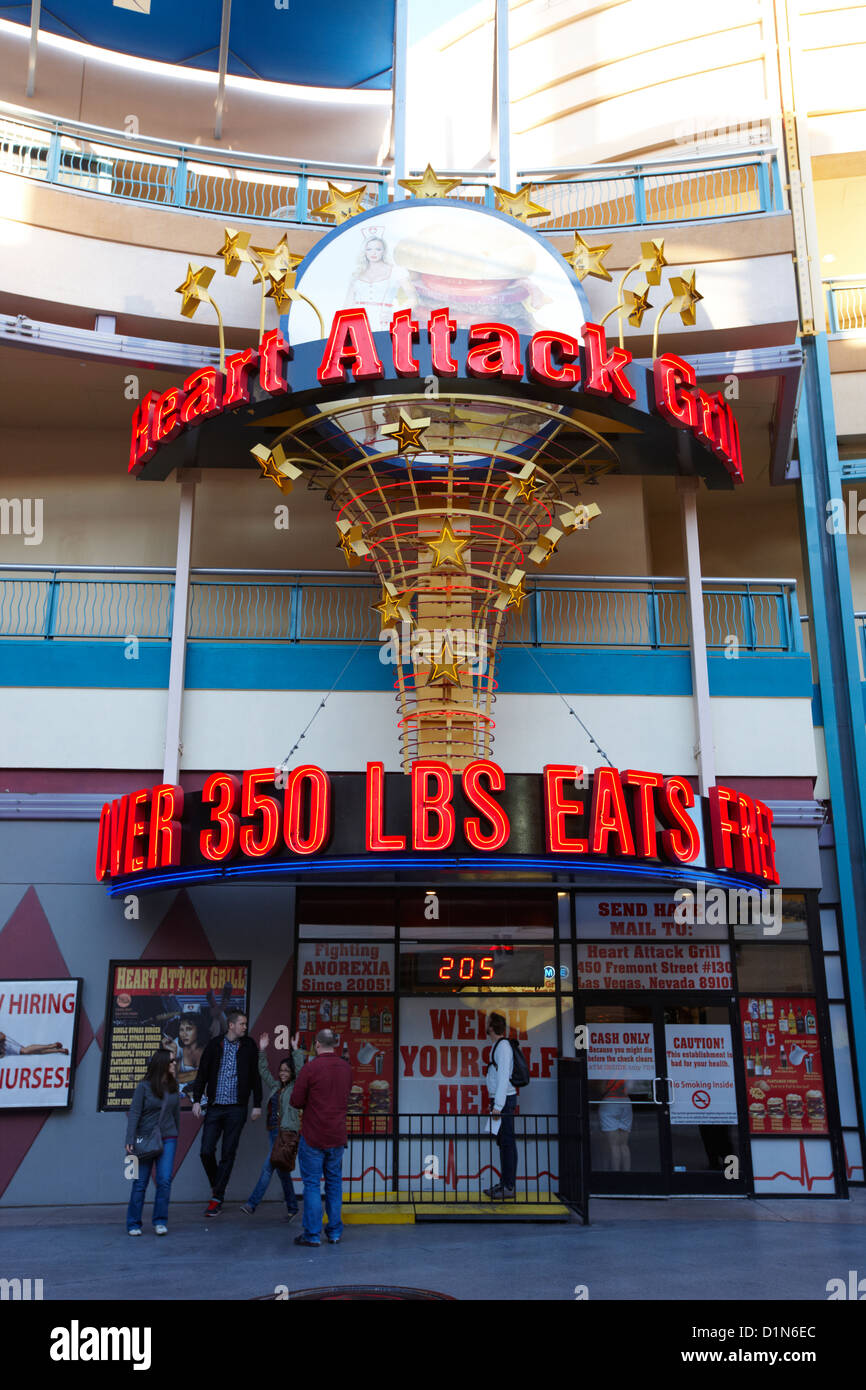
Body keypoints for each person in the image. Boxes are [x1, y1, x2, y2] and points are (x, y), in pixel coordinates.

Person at [190, 1009, 262, 1216]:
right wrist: (196, 1100)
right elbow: (202, 1073)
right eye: (242, 1024)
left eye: (245, 1024)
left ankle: (217, 1197)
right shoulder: (215, 1045)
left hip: (236, 1108)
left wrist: (257, 1104)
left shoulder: (248, 1045)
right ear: (231, 1025)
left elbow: (255, 1076)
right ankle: (217, 1186)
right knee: (205, 1151)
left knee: (228, 1152)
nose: (245, 1027)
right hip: (214, 1107)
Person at [290, 1027, 352, 1247]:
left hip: (314, 1135)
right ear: (334, 1044)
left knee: (312, 1185)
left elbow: (296, 1100)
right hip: (337, 1135)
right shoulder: (346, 1068)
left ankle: (312, 1235)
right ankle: (334, 1233)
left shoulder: (311, 1068)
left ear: (317, 1044)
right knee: (334, 1184)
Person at [242, 1032, 305, 1219]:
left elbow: (302, 1071)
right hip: (273, 1133)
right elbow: (263, 1072)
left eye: (287, 1070)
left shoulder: (296, 1087)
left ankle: (252, 1204)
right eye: (282, 1070)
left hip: (286, 1134)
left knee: (268, 1167)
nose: (283, 1073)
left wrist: (296, 1051)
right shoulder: (277, 1087)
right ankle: (293, 1208)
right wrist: (262, 1050)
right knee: (283, 1171)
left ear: (292, 1072)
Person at [124, 1048, 180, 1236]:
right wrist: (129, 1139)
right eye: (171, 1061)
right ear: (162, 1063)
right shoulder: (144, 1086)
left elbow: (175, 1114)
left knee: (164, 1180)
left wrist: (175, 1133)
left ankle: (160, 1221)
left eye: (175, 1060)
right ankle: (133, 1223)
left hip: (168, 1138)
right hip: (144, 1140)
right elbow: (135, 1114)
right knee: (140, 1182)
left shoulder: (174, 1086)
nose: (174, 1063)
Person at [483, 1012, 518, 1200]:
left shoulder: (503, 1047)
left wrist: (498, 1105)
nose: (485, 1025)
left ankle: (508, 1186)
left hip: (503, 1102)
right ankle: (505, 1183)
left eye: (487, 1022)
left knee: (507, 1143)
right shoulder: (498, 1046)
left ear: (492, 1026)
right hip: (501, 1101)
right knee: (504, 1143)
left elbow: (504, 1077)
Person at [0, 1031, 69, 1056]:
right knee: (36, 1052)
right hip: (6, 1051)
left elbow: (2, 1036)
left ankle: (52, 1045)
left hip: (6, 1045)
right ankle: (58, 1050)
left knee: (25, 1050)